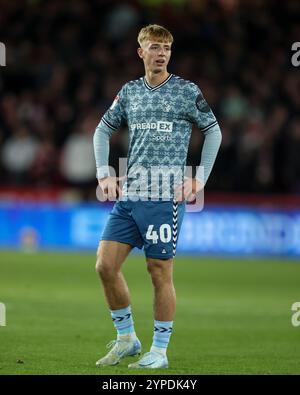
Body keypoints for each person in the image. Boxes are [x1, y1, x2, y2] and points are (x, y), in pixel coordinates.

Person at [93, 24, 222, 369]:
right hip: (130, 195)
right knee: (105, 266)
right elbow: (102, 129)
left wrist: (199, 179)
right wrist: (104, 172)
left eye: (166, 48)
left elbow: (213, 131)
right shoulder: (130, 92)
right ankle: (127, 339)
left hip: (164, 197)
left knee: (159, 271)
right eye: (154, 47)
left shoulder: (185, 91)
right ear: (141, 52)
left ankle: (160, 352)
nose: (161, 53)